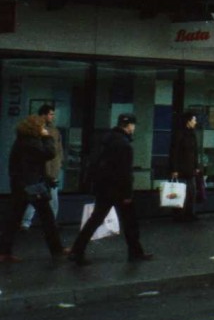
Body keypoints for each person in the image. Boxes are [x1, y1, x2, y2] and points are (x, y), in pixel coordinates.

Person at [69, 114, 152, 264]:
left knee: (95, 219)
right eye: (133, 125)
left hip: (103, 187)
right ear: (129, 126)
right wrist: (128, 193)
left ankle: (77, 250)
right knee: (130, 222)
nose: (134, 128)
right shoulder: (124, 145)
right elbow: (125, 172)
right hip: (119, 189)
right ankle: (135, 252)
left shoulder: (105, 139)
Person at [0, 110, 67, 261]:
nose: (44, 128)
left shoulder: (22, 141)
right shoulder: (31, 142)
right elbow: (49, 153)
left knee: (14, 218)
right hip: (32, 185)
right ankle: (56, 249)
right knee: (47, 217)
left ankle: (4, 251)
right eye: (42, 126)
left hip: (23, 184)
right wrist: (47, 136)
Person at [21, 104, 63, 232]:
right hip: (42, 171)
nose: (53, 117)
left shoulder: (55, 131)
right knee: (41, 198)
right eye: (50, 114)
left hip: (52, 169)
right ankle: (28, 222)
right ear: (43, 115)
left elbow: (59, 150)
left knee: (49, 199)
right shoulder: (38, 131)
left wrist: (60, 163)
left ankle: (30, 222)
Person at [168, 110, 202, 222]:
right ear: (188, 121)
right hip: (181, 168)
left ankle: (190, 213)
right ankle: (179, 215)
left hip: (190, 168)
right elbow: (174, 152)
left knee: (191, 192)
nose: (195, 122)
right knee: (180, 192)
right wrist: (174, 169)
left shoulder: (192, 134)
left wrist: (196, 166)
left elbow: (195, 152)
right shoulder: (179, 134)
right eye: (194, 120)